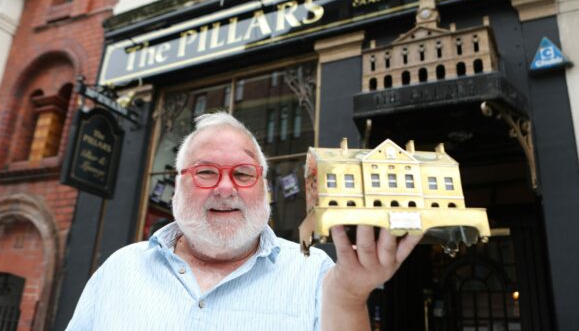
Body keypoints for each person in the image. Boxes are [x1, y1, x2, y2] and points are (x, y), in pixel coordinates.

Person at [67, 112, 421, 330]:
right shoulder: (120, 269)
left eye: (242, 173)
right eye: (206, 172)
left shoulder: (314, 272)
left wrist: (350, 297)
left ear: (264, 188)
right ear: (177, 185)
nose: (225, 188)